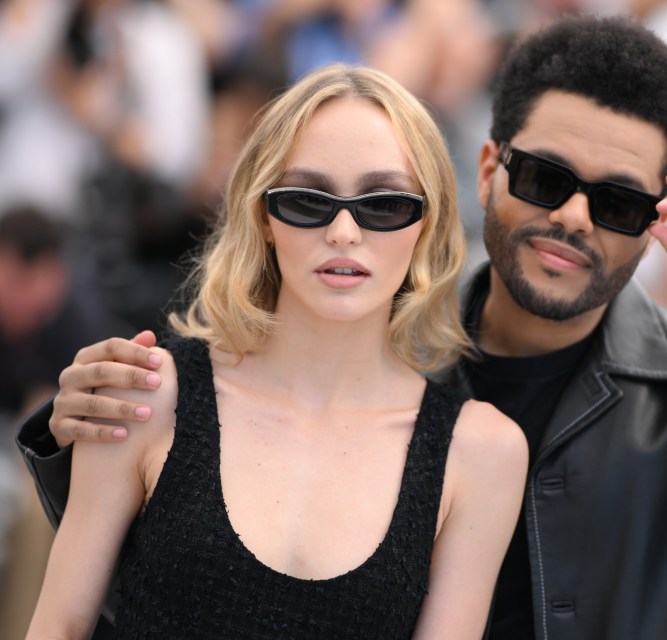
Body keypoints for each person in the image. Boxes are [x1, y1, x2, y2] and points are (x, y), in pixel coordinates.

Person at [17, 14, 667, 640]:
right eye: (547, 180)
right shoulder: (368, 342)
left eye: (622, 202)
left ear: (664, 218)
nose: (576, 219)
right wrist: (83, 434)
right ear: (487, 169)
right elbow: (188, 562)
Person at [22, 63, 527, 639]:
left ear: (426, 224)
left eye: (384, 203)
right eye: (307, 200)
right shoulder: (148, 394)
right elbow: (57, 626)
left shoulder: (481, 454)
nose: (343, 232)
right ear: (263, 214)